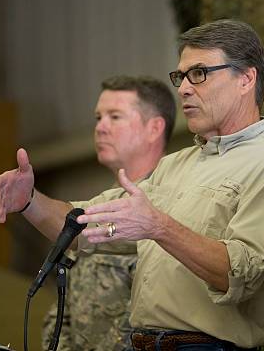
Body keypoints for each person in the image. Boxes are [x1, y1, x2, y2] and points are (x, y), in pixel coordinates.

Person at [0, 19, 264, 350]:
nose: (183, 88)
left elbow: (242, 274)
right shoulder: (176, 165)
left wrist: (158, 226)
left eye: (199, 73)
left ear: (246, 78)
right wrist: (30, 201)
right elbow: (83, 226)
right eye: (180, 76)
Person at [41, 75, 176, 350]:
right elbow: (62, 308)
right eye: (98, 117)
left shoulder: (170, 207)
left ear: (154, 128)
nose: (100, 127)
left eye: (115, 117)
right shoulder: (97, 205)